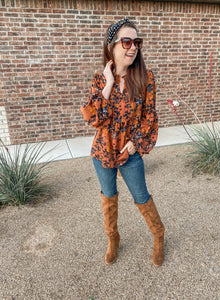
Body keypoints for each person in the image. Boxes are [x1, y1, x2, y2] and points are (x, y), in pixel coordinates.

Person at [81, 18, 165, 266]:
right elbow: (93, 118)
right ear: (111, 47)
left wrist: (135, 143)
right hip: (103, 152)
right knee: (109, 196)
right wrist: (108, 85)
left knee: (141, 196)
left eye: (136, 42)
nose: (133, 47)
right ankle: (113, 239)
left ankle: (159, 235)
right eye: (126, 41)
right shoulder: (100, 80)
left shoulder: (145, 78)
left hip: (130, 152)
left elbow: (150, 115)